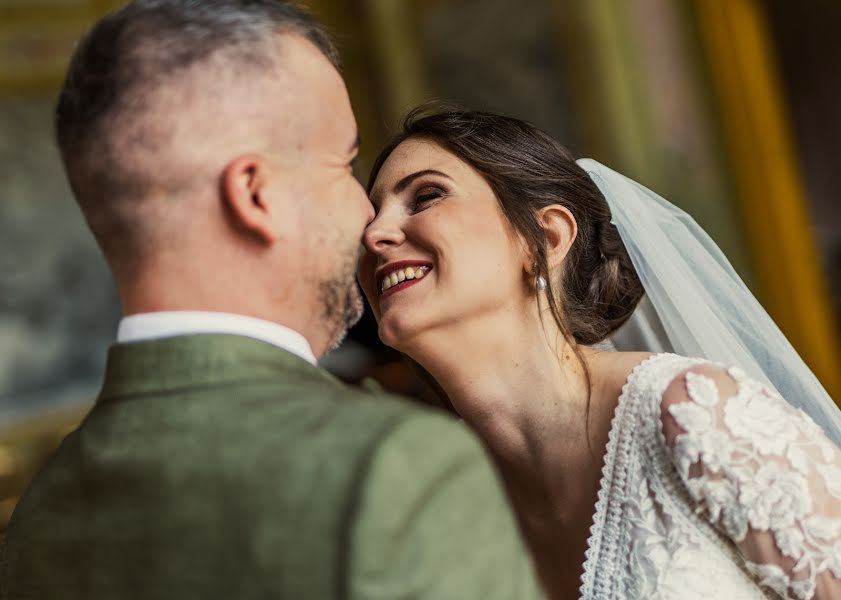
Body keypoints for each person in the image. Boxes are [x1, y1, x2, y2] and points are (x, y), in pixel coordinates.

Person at [0, 5, 544, 599]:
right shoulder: (397, 467)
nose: (368, 220)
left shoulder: (40, 514)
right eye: (345, 165)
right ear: (256, 195)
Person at [358, 104, 841, 600]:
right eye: (368, 219)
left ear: (545, 238)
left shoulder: (691, 415)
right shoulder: (433, 510)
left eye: (426, 196)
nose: (374, 236)